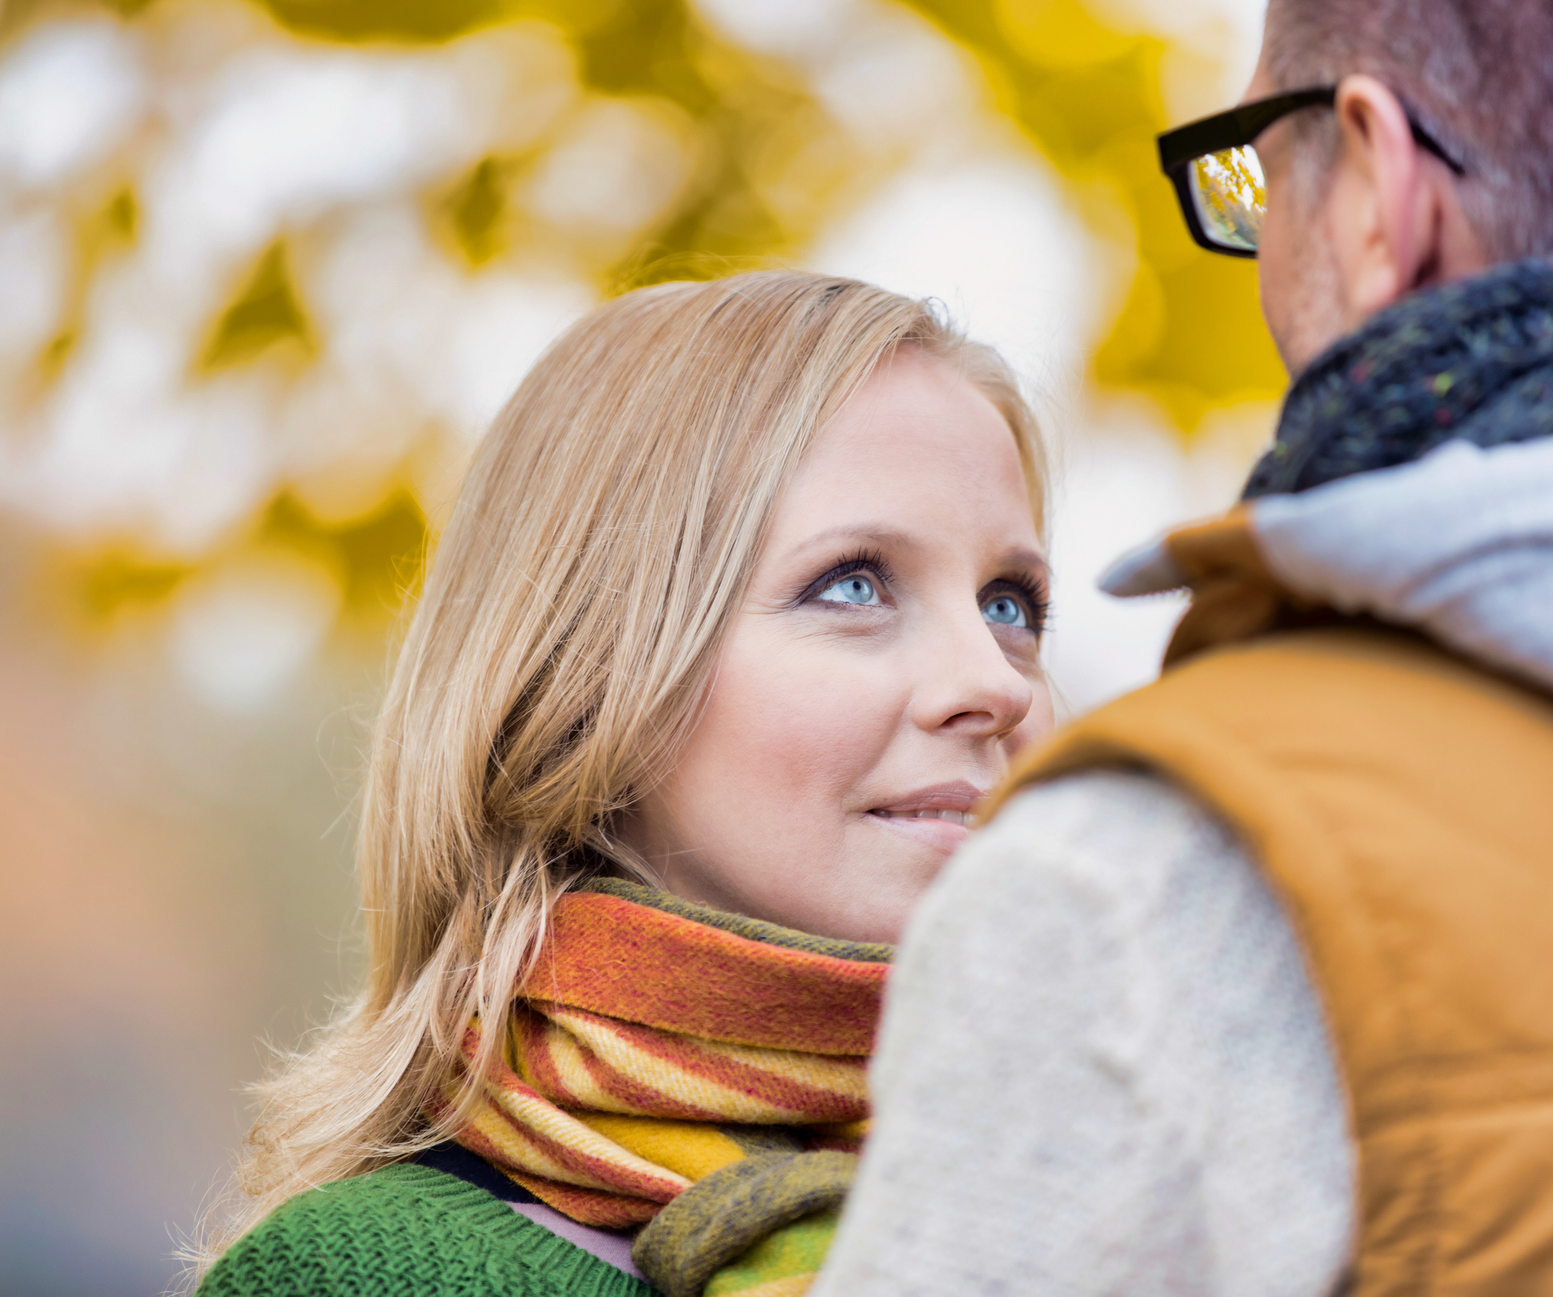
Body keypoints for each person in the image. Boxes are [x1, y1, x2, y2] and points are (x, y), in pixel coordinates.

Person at [812, 0, 1553, 1294]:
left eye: (1259, 173)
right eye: (849, 584)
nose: (985, 682)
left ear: (1371, 188)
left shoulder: (1164, 881)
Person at [192, 271, 1056, 1296]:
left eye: (1010, 603)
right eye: (854, 583)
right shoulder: (368, 1280)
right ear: (592, 680)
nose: (993, 682)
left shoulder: (1152, 1216)